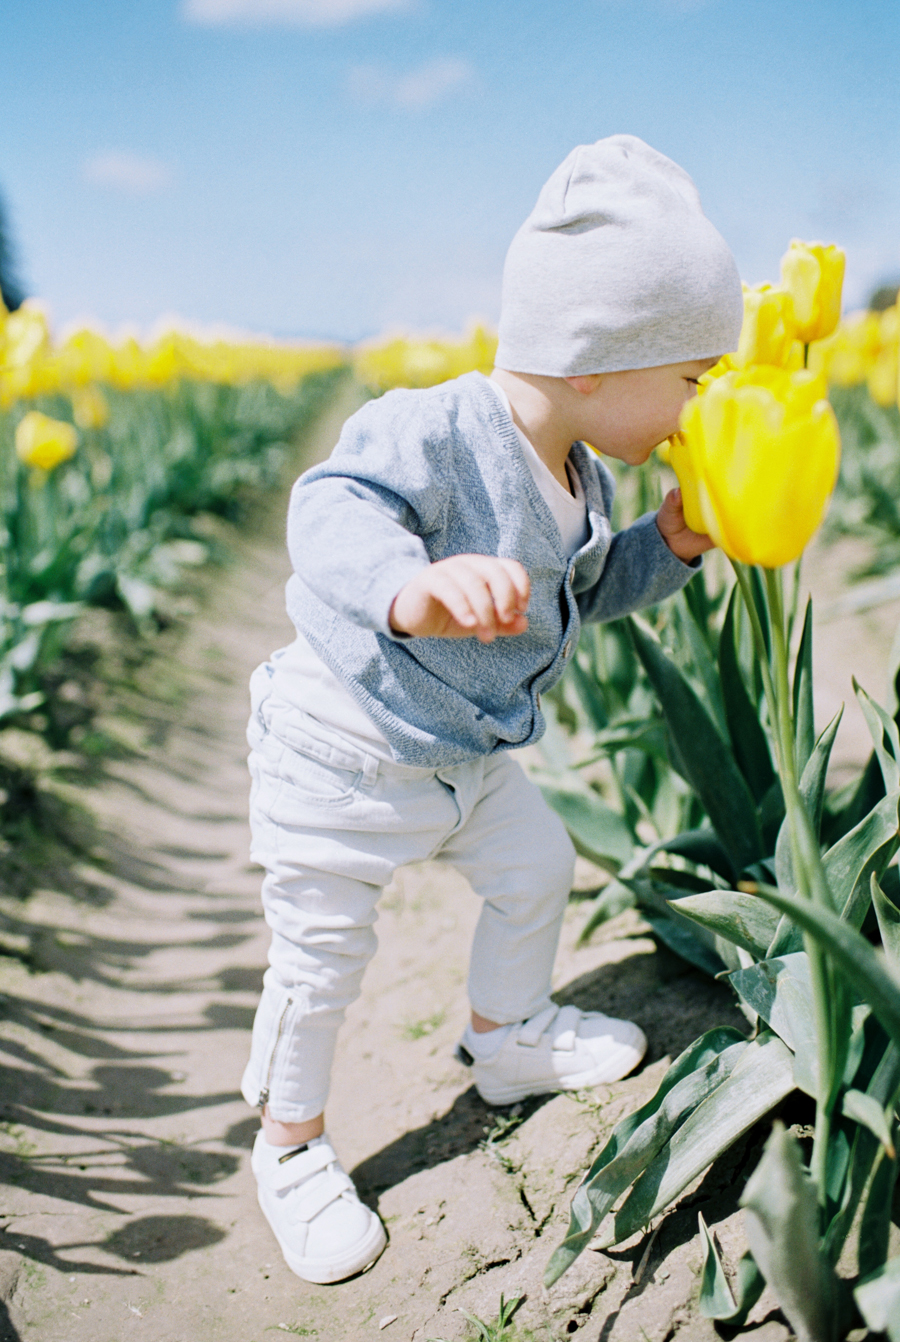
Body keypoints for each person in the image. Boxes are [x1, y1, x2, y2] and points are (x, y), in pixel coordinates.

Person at [242, 134, 743, 1285]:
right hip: (345, 751)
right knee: (321, 959)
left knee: (540, 867)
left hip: (462, 755)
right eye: (692, 377)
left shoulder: (584, 474)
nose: (695, 408)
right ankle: (290, 1148)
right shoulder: (441, 427)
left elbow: (581, 593)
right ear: (592, 360)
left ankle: (507, 1038)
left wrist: (659, 548)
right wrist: (406, 589)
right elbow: (332, 508)